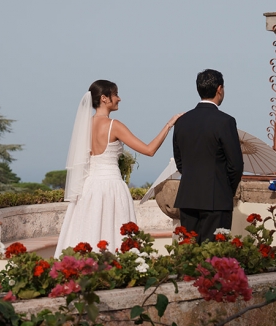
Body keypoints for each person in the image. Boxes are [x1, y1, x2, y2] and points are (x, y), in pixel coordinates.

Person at [56, 80, 181, 253]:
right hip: (111, 188)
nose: (119, 98)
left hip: (89, 189)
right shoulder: (114, 126)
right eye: (115, 94)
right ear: (104, 98)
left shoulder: (85, 126)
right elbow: (149, 150)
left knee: (87, 230)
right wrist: (169, 125)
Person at [172, 69, 244, 243]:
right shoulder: (225, 121)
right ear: (220, 89)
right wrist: (227, 189)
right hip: (216, 198)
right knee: (213, 256)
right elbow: (235, 165)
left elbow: (179, 161)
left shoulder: (182, 121)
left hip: (187, 197)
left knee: (190, 256)